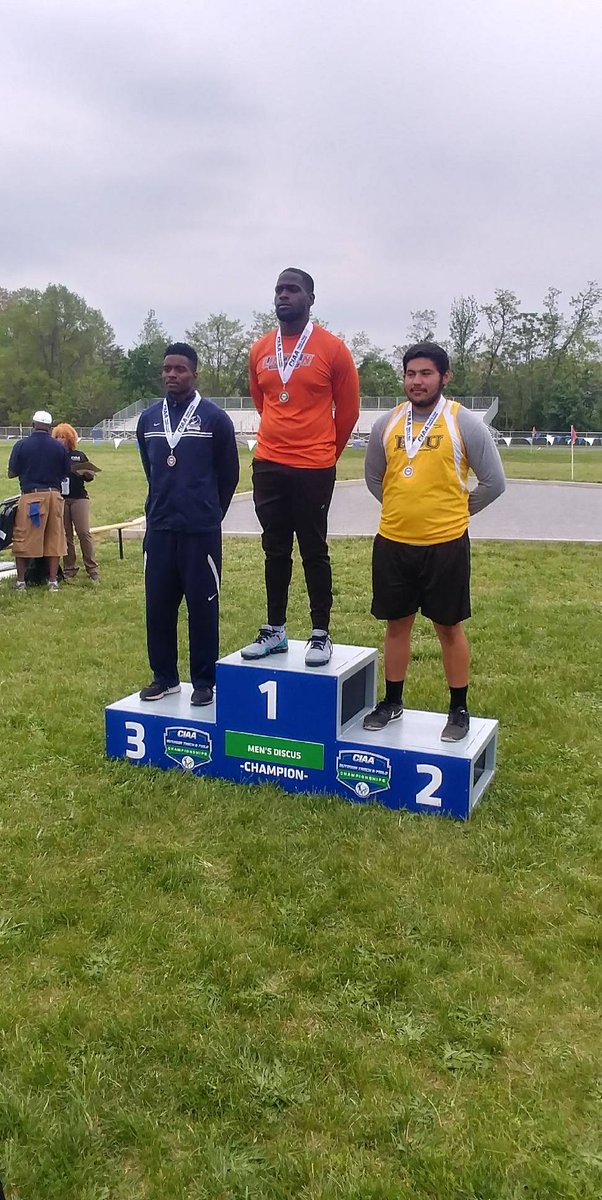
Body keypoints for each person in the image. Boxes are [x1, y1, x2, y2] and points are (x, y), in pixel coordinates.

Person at [363, 342, 506, 741]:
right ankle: (392, 701)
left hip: (445, 546)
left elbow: (494, 483)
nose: (417, 381)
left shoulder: (464, 422)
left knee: (448, 628)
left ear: (444, 377)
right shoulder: (386, 424)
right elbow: (376, 479)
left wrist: (455, 513)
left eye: (426, 373)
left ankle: (458, 709)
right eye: (411, 373)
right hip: (393, 543)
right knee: (396, 626)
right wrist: (402, 507)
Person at [242, 268, 360, 666]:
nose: (283, 296)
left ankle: (320, 633)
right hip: (270, 463)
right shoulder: (260, 349)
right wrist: (281, 440)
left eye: (292, 290)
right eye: (278, 290)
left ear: (310, 298)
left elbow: (347, 412)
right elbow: (263, 403)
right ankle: (275, 629)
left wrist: (325, 452)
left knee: (313, 548)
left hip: (314, 466)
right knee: (274, 549)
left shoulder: (333, 348)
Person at [136, 342, 239, 706]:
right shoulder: (148, 420)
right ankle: (164, 676)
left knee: (203, 607)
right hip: (161, 530)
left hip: (200, 533)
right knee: (159, 607)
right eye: (167, 369)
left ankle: (204, 681)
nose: (171, 375)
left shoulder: (215, 419)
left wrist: (209, 512)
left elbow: (229, 475)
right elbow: (151, 471)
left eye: (179, 369)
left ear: (195, 374)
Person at [7, 410, 71, 592]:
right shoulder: (59, 447)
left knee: (24, 538)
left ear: (33, 424)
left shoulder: (22, 445)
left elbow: (12, 472)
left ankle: (21, 581)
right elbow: (65, 472)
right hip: (54, 495)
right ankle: (52, 581)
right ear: (50, 427)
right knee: (54, 538)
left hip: (31, 497)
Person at [52, 423, 100, 582]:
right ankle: (69, 568)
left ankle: (92, 568)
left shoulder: (79, 455)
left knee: (83, 532)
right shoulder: (55, 456)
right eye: (57, 437)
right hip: (61, 498)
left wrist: (86, 473)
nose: (60, 440)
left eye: (63, 437)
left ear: (70, 439)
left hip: (79, 497)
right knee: (66, 535)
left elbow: (90, 476)